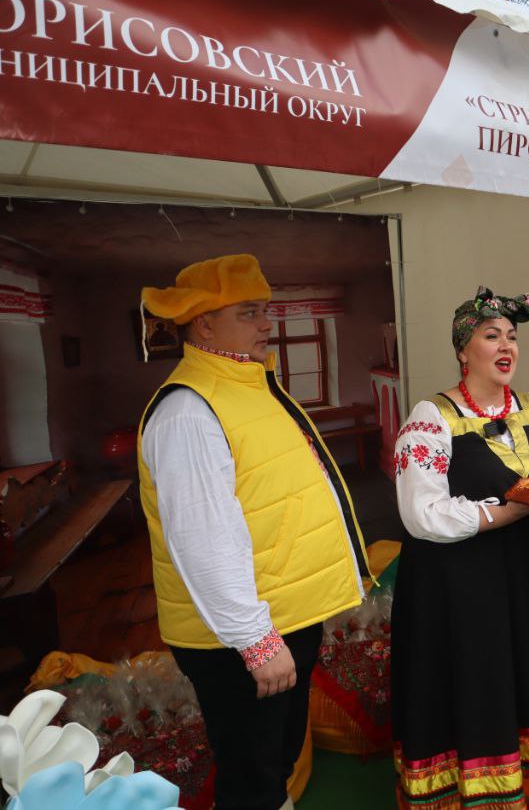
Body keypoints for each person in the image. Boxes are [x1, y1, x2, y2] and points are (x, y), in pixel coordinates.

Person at [138, 254, 373, 810]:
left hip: (280, 616)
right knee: (253, 780)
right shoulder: (188, 410)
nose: (268, 323)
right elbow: (203, 541)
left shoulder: (249, 386)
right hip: (241, 635)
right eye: (249, 313)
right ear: (204, 324)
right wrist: (256, 641)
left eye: (265, 310)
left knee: (275, 764)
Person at [390, 287, 529, 810]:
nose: (506, 346)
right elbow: (422, 514)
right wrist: (513, 510)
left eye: (512, 337)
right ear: (463, 349)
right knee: (478, 680)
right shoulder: (430, 418)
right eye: (491, 335)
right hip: (463, 585)